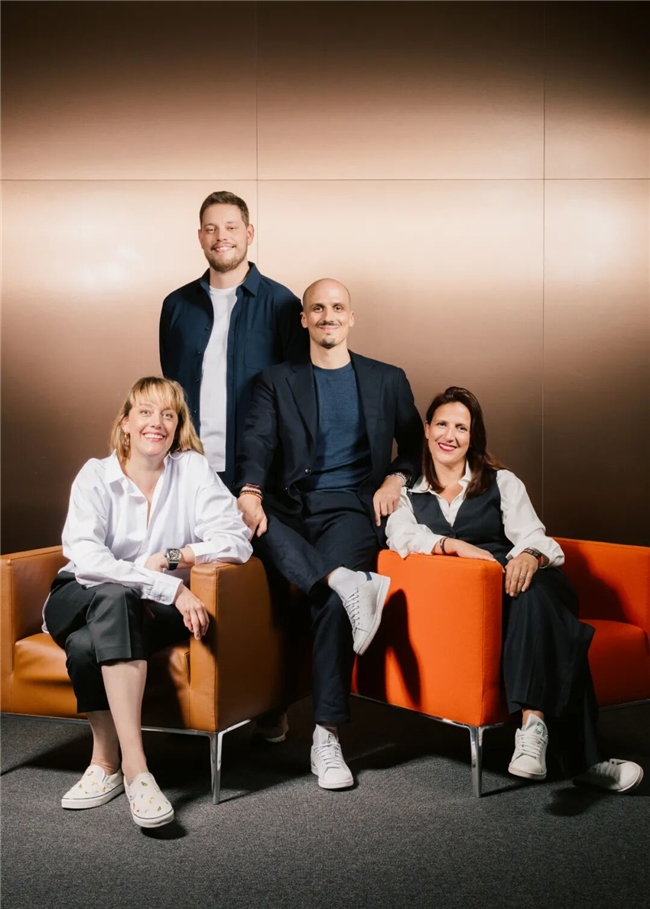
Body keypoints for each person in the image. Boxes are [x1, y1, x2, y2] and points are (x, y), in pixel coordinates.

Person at [386, 386, 643, 793]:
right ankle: (586, 761)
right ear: (427, 428)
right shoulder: (405, 494)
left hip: (527, 584)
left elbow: (536, 538)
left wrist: (529, 557)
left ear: (473, 436)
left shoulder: (501, 481)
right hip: (473, 603)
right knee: (558, 626)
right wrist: (452, 545)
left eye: (461, 427)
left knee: (533, 594)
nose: (450, 435)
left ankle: (532, 728)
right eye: (442, 424)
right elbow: (401, 537)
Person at [236, 278, 423, 790]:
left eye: (337, 307)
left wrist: (396, 477)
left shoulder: (387, 378)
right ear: (303, 319)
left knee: (330, 604)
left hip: (349, 509)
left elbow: (413, 445)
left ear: (351, 317)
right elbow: (257, 441)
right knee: (250, 519)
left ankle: (326, 734)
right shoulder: (276, 380)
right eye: (317, 308)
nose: (327, 316)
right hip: (291, 506)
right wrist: (249, 490)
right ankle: (344, 578)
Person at [44, 377, 253, 827]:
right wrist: (169, 587)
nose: (156, 422)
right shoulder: (96, 475)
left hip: (148, 612)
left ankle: (105, 762)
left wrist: (176, 557)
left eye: (167, 414)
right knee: (113, 594)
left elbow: (237, 539)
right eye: (145, 412)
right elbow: (89, 560)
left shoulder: (192, 470)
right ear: (125, 423)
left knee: (85, 645)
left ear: (177, 427)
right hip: (78, 595)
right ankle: (138, 770)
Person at [159, 190, 308, 489]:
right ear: (200, 237)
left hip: (260, 475)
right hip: (187, 467)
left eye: (231, 227)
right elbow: (171, 385)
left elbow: (298, 395)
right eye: (211, 229)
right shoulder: (176, 305)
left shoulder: (282, 304)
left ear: (249, 233)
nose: (221, 237)